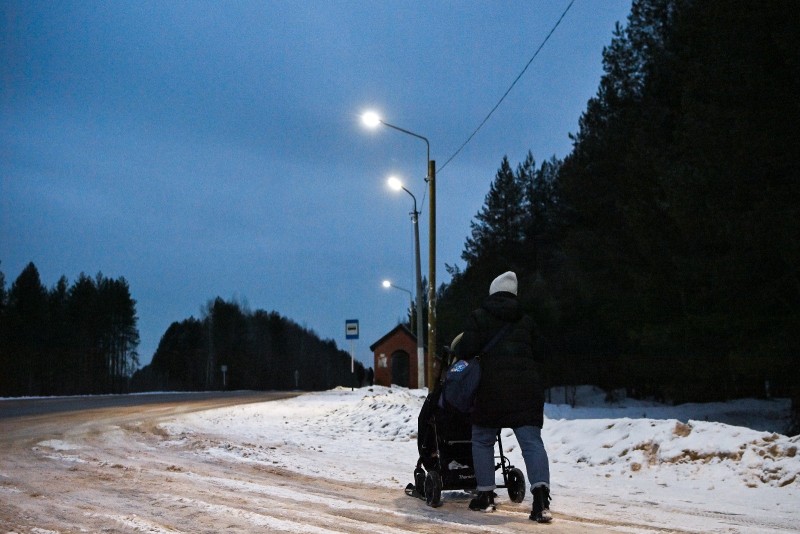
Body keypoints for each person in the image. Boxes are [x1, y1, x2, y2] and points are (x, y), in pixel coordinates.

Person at [454, 271, 552, 523]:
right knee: (532, 443)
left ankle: (486, 495)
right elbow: (543, 352)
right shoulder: (527, 320)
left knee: (483, 439)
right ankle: (541, 501)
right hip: (526, 390)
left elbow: (465, 351)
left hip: (491, 390)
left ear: (493, 292)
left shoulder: (479, 317)